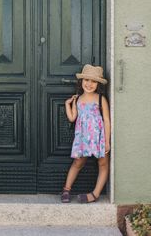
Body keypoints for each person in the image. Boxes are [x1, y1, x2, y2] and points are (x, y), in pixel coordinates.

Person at [61, 64, 110, 203]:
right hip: (83, 138)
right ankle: (66, 189)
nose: (89, 84)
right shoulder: (78, 100)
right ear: (81, 81)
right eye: (86, 80)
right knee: (78, 163)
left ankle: (94, 194)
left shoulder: (101, 99)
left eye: (93, 81)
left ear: (98, 84)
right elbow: (72, 118)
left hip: (99, 137)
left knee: (103, 164)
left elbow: (106, 120)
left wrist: (107, 141)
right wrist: (67, 104)